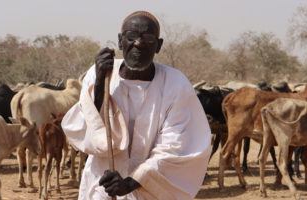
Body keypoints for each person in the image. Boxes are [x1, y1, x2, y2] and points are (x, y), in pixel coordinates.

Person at [62, 10, 211, 200]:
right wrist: (99, 83)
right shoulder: (100, 74)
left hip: (148, 189)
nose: (138, 43)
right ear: (120, 41)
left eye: (148, 38)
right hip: (102, 186)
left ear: (158, 46)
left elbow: (175, 146)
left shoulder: (175, 83)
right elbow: (84, 129)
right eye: (131, 36)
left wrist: (130, 183)